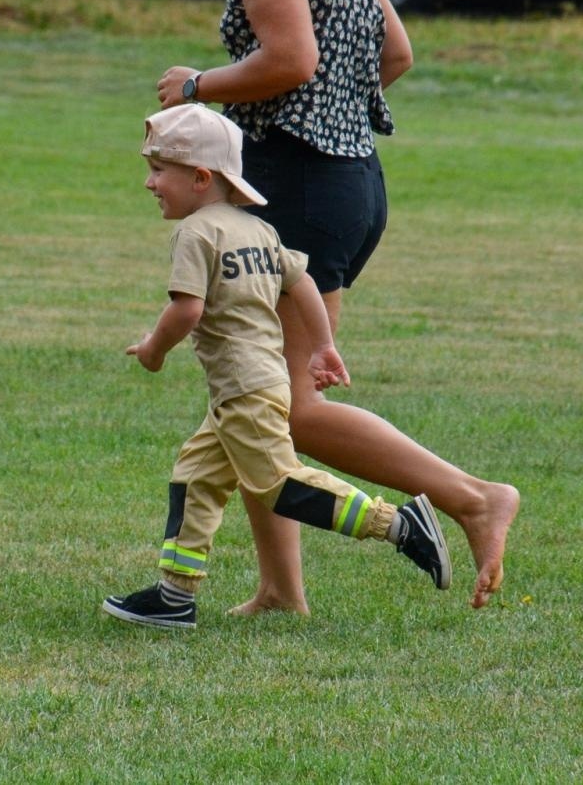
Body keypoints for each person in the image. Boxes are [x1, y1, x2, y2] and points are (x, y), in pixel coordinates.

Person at [155, 0, 519, 613]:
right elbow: (395, 51)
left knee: (291, 407)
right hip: (347, 179)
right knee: (251, 394)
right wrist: (329, 118)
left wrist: (198, 86)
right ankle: (281, 591)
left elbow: (292, 60)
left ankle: (472, 497)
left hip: (302, 182)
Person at [104, 103, 450, 630]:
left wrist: (154, 348)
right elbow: (303, 283)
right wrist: (322, 346)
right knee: (197, 476)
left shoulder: (197, 234)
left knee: (278, 485)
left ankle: (398, 525)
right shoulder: (257, 229)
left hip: (244, 389)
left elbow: (187, 309)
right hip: (255, 384)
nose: (150, 183)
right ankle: (175, 595)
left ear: (201, 178)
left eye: (158, 171)